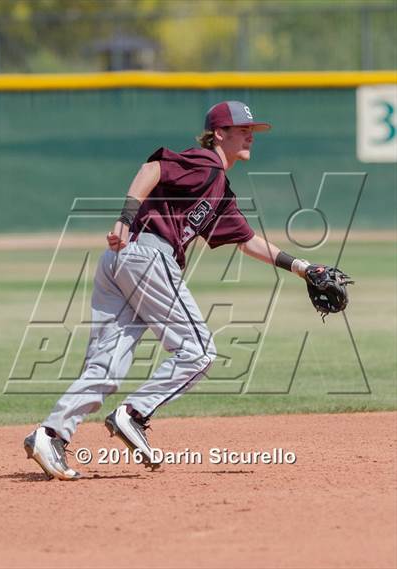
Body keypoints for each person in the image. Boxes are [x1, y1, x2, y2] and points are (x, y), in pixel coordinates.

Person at [24, 101, 312, 480]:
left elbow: (248, 241)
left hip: (123, 261)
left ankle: (50, 434)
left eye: (252, 130)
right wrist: (126, 216)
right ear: (218, 133)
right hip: (147, 255)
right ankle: (134, 414)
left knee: (107, 367)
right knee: (199, 351)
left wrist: (305, 268)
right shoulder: (206, 163)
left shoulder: (219, 188)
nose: (249, 136)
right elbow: (153, 168)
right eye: (242, 129)